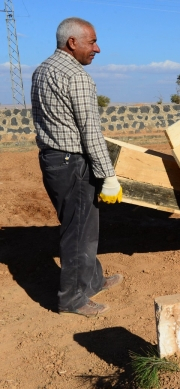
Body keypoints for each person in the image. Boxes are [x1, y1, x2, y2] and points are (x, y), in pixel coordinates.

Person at [31, 17, 124, 317]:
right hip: (73, 163)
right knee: (78, 232)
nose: (97, 48)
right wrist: (108, 175)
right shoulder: (77, 77)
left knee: (81, 225)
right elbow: (90, 131)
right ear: (72, 43)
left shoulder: (42, 70)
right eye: (92, 42)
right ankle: (71, 299)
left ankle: (93, 280)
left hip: (52, 161)